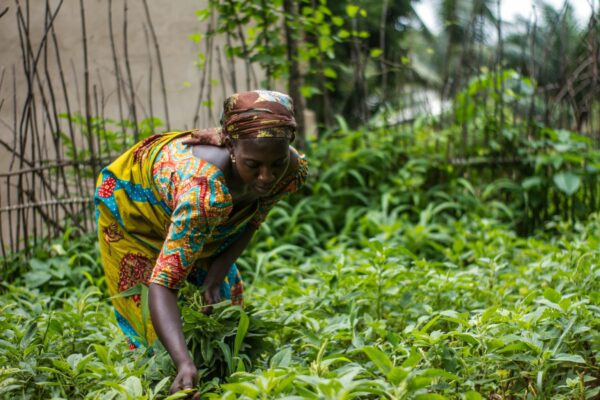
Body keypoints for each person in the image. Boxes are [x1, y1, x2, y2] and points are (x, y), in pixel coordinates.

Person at [94, 90, 308, 396]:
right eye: (254, 165)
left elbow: (253, 218)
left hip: (194, 202)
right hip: (134, 211)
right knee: (154, 338)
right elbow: (163, 284)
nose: (266, 177)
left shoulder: (289, 168)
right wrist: (183, 362)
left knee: (224, 303)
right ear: (231, 146)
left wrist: (214, 277)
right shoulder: (202, 192)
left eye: (275, 164)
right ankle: (171, 376)